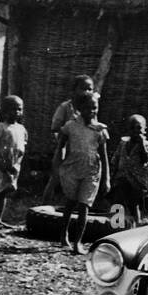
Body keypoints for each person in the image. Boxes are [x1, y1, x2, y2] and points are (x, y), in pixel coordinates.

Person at [52, 90, 110, 254]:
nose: (91, 111)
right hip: (72, 168)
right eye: (88, 108)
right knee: (70, 203)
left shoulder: (100, 130)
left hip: (92, 170)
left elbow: (104, 155)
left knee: (84, 205)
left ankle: (78, 242)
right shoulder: (71, 126)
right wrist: (58, 164)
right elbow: (60, 145)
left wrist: (107, 179)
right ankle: (64, 235)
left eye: (95, 108)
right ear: (79, 108)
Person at [41, 75, 96, 204]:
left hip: (81, 152)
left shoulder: (90, 109)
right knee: (55, 177)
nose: (87, 92)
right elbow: (55, 128)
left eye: (90, 89)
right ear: (73, 90)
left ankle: (74, 208)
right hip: (65, 148)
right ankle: (44, 205)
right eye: (83, 89)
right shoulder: (65, 107)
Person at [0, 96, 27, 229]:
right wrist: (2, 165)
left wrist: (15, 165)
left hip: (13, 166)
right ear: (4, 111)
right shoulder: (0, 128)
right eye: (12, 109)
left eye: (19, 109)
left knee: (4, 191)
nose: (16, 112)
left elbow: (22, 148)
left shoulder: (21, 129)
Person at [111, 114, 148, 228]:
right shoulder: (123, 143)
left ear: (144, 130)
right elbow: (116, 159)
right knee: (118, 202)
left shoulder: (147, 145)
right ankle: (116, 227)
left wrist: (141, 144)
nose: (135, 131)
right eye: (132, 128)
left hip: (136, 182)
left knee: (133, 205)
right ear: (128, 129)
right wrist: (112, 176)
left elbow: (146, 159)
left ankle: (135, 227)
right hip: (122, 177)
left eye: (139, 128)